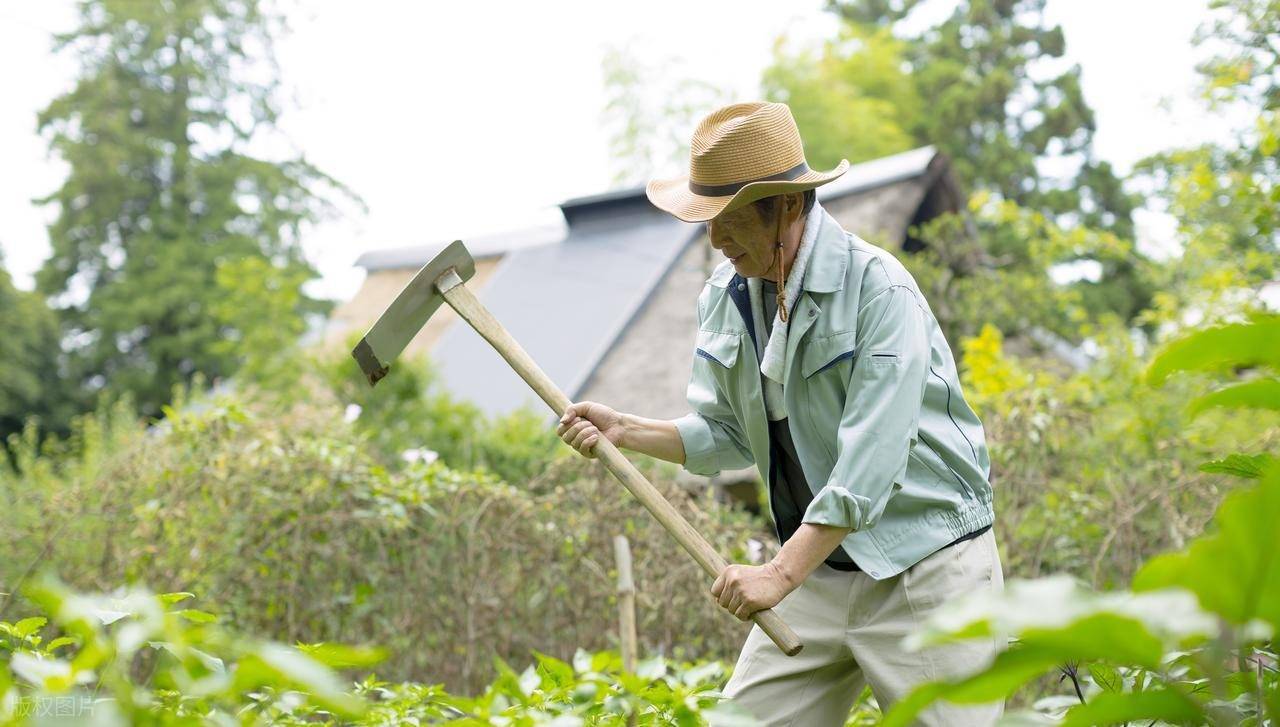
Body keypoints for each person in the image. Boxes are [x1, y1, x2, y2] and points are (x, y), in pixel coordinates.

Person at [556, 101, 1004, 725]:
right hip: (822, 570)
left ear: (787, 206)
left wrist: (778, 573)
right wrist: (627, 430)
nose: (712, 238)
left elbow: (870, 463)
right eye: (705, 218)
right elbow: (731, 434)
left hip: (925, 569)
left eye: (728, 216)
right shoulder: (727, 295)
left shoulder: (880, 289)